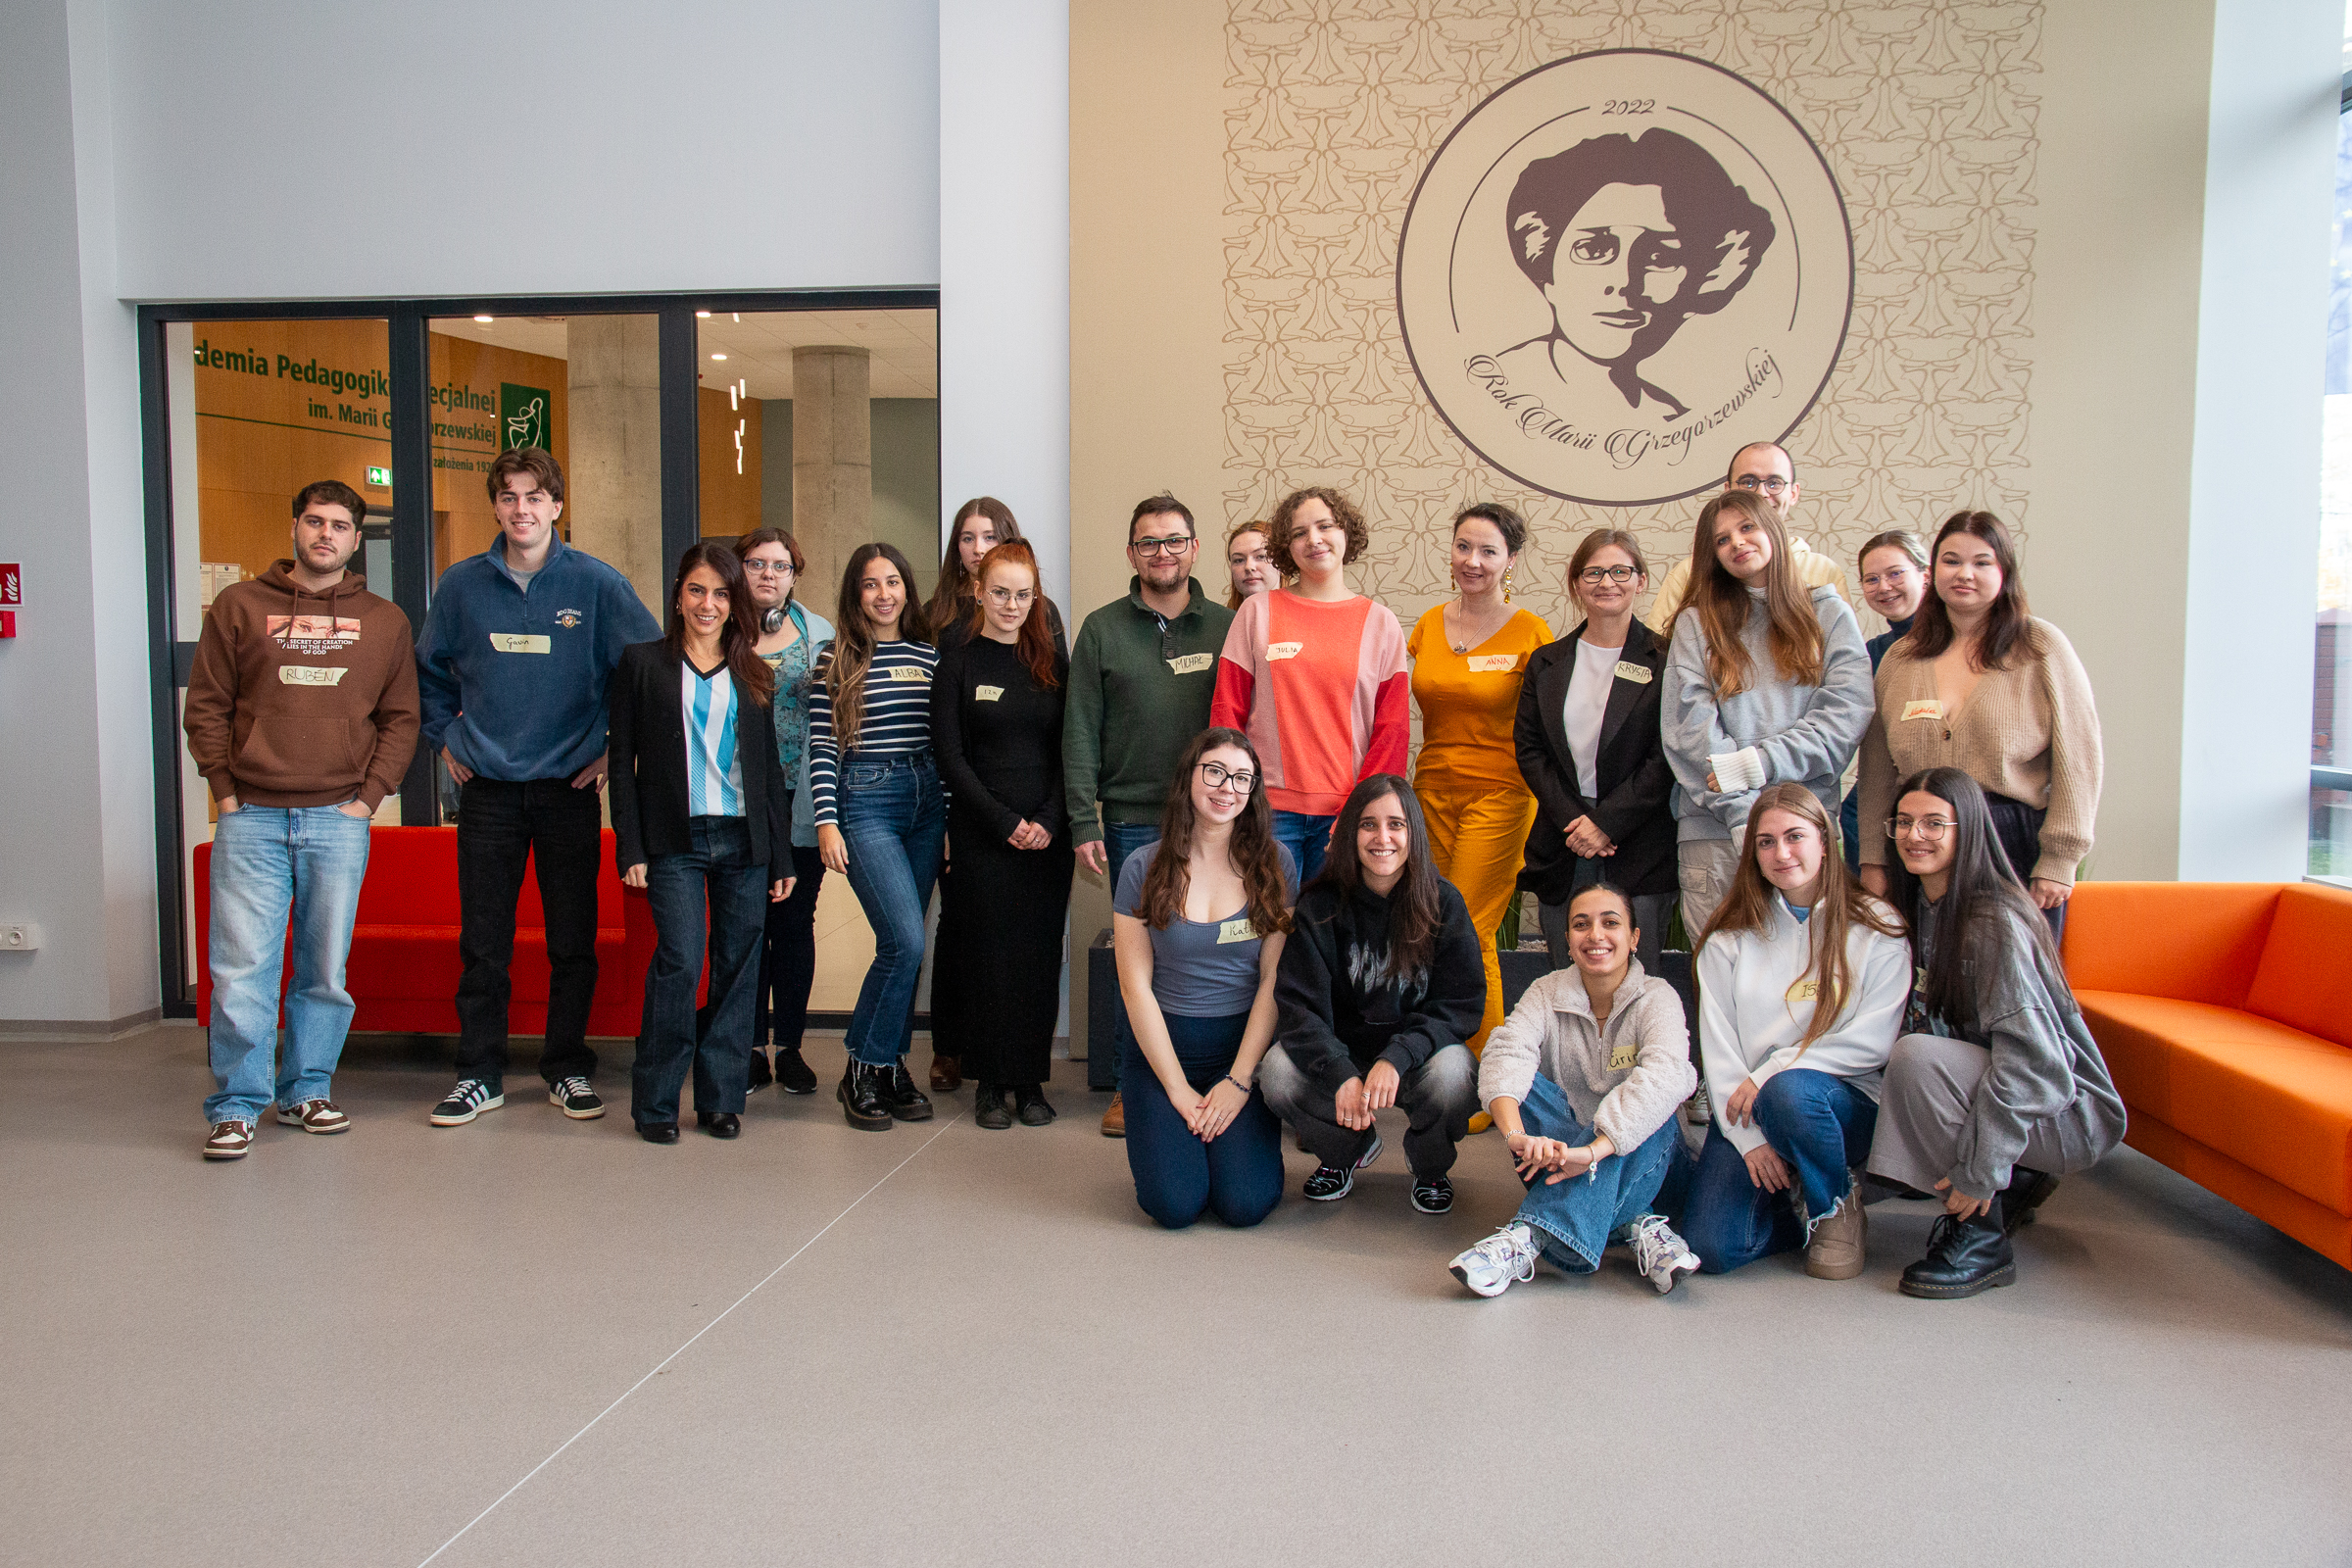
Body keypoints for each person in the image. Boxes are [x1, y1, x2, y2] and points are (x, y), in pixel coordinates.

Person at [414, 447, 660, 1128]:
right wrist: (445, 737)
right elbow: (427, 672)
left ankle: (567, 1067)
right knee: (484, 943)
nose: (521, 510)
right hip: (487, 791)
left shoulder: (597, 585)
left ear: (556, 506)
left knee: (572, 942)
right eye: (509, 497)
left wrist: (611, 749)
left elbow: (647, 670)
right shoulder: (461, 586)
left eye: (534, 497)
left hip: (567, 789)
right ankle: (479, 1073)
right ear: (496, 507)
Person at [183, 480, 419, 1159]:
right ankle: (237, 1105)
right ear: (295, 527)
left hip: (338, 819)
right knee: (240, 970)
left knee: (323, 971)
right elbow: (207, 704)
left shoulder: (385, 621)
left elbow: (401, 718)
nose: (326, 535)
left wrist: (368, 799)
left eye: (340, 525)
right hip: (251, 815)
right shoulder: (239, 606)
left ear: (356, 539)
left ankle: (307, 1090)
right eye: (315, 522)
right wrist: (225, 791)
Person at [1866, 767, 2127, 1298]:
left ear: (1969, 831)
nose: (1915, 835)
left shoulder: (1992, 923)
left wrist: (1980, 1170)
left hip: (2068, 1108)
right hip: (2014, 1091)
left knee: (1916, 1058)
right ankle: (2020, 1177)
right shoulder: (1924, 907)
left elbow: (2037, 1066)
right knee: (1905, 1051)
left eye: (1934, 823)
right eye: (1905, 822)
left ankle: (1981, 1238)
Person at [1677, 784, 1909, 1277]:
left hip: (1840, 1107)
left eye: (1795, 836)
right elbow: (1719, 1051)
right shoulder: (1727, 939)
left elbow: (1874, 1041)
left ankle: (1834, 1204)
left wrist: (1775, 1069)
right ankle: (1797, 1213)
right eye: (1766, 842)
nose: (1781, 853)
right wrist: (1748, 1141)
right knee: (1712, 1248)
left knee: (1790, 1092)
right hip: (1748, 1112)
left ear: (1825, 840)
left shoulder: (1877, 925)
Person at [608, 544, 793, 1143]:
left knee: (738, 969)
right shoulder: (642, 663)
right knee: (682, 961)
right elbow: (621, 762)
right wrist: (631, 848)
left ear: (734, 602)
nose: (707, 604)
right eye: (696, 590)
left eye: (720, 593)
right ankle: (656, 1104)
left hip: (743, 840)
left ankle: (720, 1099)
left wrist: (779, 855)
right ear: (678, 596)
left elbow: (767, 771)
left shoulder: (754, 672)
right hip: (674, 839)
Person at [1066, 494, 1236, 1137]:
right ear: (1131, 553)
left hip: (1215, 818)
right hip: (1133, 818)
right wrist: (1083, 819)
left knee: (1217, 951)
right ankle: (1127, 1083)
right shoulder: (1102, 629)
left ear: (1194, 548)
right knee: (1138, 957)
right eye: (1148, 542)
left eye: (1174, 541)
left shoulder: (1228, 626)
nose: (1162, 553)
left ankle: (1220, 1079)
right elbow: (1080, 729)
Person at [1857, 511, 2103, 941]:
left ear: (2004, 571)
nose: (1964, 574)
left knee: (2008, 974)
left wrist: (2060, 859)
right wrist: (1874, 859)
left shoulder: (2040, 647)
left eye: (1981, 562)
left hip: (2010, 843)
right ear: (1933, 572)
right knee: (1925, 972)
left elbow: (2079, 760)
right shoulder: (1901, 658)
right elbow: (1876, 769)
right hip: (1919, 845)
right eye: (1952, 561)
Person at [1447, 883, 1700, 1297]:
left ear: (1634, 937)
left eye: (1610, 923)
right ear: (1567, 940)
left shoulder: (1657, 996)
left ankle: (1528, 1237)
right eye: (1581, 925)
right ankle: (1634, 1222)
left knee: (1655, 1101)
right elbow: (1507, 1052)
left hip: (1650, 1163)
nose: (1595, 935)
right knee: (1523, 1085)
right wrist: (1516, 1136)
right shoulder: (1547, 991)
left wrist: (1593, 1152)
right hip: (1557, 1158)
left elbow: (1667, 1075)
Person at [1258, 775, 1484, 1214]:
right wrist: (1340, 1071)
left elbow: (1460, 1005)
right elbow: (1298, 1008)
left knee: (1456, 1072)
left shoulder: (1443, 902)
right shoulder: (1319, 906)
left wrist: (1397, 1057)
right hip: (1343, 1055)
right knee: (1278, 1071)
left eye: (1396, 824)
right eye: (1368, 825)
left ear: (1413, 834)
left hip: (1416, 1058)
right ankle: (1346, 1150)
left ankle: (1430, 1166)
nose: (1383, 838)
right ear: (1350, 833)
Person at [1662, 486, 1872, 943]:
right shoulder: (1696, 623)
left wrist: (1759, 764)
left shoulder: (1829, 614)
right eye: (1721, 539)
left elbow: (1845, 716)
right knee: (1721, 975)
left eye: (1747, 527)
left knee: (1810, 971)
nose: (1736, 543)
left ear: (1774, 530)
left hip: (1804, 830)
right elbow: (1689, 729)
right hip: (1717, 831)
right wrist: (1744, 816)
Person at [1113, 729, 1297, 1228]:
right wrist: (1176, 1088)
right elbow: (1135, 987)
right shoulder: (1142, 866)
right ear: (1189, 777)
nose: (1226, 788)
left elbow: (1272, 979)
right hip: (1161, 1057)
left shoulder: (1275, 864)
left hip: (1239, 1054)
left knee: (1244, 1204)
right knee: (1175, 1206)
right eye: (1214, 771)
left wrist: (1239, 1080)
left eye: (1241, 777)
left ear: (1253, 789)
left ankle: (1223, 1147)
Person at [932, 541, 1075, 1128]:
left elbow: (1071, 751)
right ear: (977, 592)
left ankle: (1030, 1081)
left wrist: (1048, 820)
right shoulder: (958, 662)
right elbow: (950, 757)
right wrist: (1003, 822)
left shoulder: (1053, 664)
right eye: (1000, 593)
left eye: (1023, 595)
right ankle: (990, 1083)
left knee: (1037, 958)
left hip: (1047, 839)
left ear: (1035, 597)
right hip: (982, 835)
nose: (1011, 605)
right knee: (987, 957)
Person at [1405, 503, 1551, 1066]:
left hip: (1501, 795)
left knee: (1469, 927)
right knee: (1433, 927)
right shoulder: (1428, 625)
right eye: (1463, 546)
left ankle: (1491, 1076)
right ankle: (1445, 1066)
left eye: (1488, 551)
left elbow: (1548, 728)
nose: (1473, 560)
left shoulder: (1531, 632)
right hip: (1431, 793)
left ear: (1510, 560)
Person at [1494, 129, 1773, 419]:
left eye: (1661, 258)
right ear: (1545, 267)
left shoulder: (1670, 416)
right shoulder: (1503, 382)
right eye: (1593, 250)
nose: (1625, 283)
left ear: (1703, 281)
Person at [1210, 486, 1408, 886]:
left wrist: (1364, 813)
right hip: (1267, 812)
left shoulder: (1381, 623)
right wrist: (1235, 797)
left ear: (1347, 533)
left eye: (1325, 526)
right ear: (1286, 547)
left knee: (1333, 923)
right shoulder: (1256, 612)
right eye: (1299, 533)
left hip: (1347, 813)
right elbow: (1227, 714)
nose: (1313, 539)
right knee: (1268, 921)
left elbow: (1392, 732)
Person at [810, 543, 943, 1131]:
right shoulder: (835, 657)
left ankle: (889, 1068)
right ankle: (864, 1067)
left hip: (926, 802)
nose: (884, 594)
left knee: (905, 948)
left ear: (907, 589)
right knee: (905, 942)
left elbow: (943, 742)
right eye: (870, 584)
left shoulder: (929, 655)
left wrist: (946, 820)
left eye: (893, 581)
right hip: (866, 801)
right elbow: (822, 745)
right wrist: (826, 821)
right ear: (855, 594)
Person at [1515, 527, 1676, 978]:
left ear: (1641, 581)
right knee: (1565, 982)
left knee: (1640, 985)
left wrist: (1606, 823)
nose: (1607, 582)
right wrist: (1577, 822)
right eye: (1593, 572)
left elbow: (1666, 754)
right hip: (1563, 841)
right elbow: (1530, 750)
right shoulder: (1546, 662)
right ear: (1576, 583)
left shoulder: (1666, 660)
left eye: (1620, 571)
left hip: (1639, 845)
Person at [735, 526, 832, 1097]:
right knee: (746, 926)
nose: (768, 574)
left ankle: (790, 1047)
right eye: (756, 563)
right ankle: (748, 1047)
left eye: (780, 566)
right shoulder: (719, 630)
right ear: (739, 569)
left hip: (800, 803)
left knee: (795, 926)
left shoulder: (819, 635)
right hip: (738, 804)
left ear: (795, 575)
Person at [1642, 443, 1852, 635]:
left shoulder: (1825, 571)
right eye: (1748, 482)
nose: (1761, 493)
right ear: (1727, 491)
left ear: (1793, 493)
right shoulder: (1688, 573)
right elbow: (1659, 651)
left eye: (1774, 483)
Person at [1840, 530, 1931, 867]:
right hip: (1889, 784)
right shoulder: (1873, 653)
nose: (1884, 587)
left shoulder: (1960, 641)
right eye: (1871, 579)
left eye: (1895, 573)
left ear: (1925, 575)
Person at [925, 495, 1066, 656]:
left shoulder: (1043, 610)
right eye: (968, 539)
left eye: (990, 537)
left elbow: (1058, 668)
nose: (978, 549)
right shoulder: (935, 611)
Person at [1223, 518, 1277, 609]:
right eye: (1239, 560)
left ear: (1280, 561)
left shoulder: (1300, 614)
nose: (1249, 567)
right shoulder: (1221, 617)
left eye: (1261, 556)